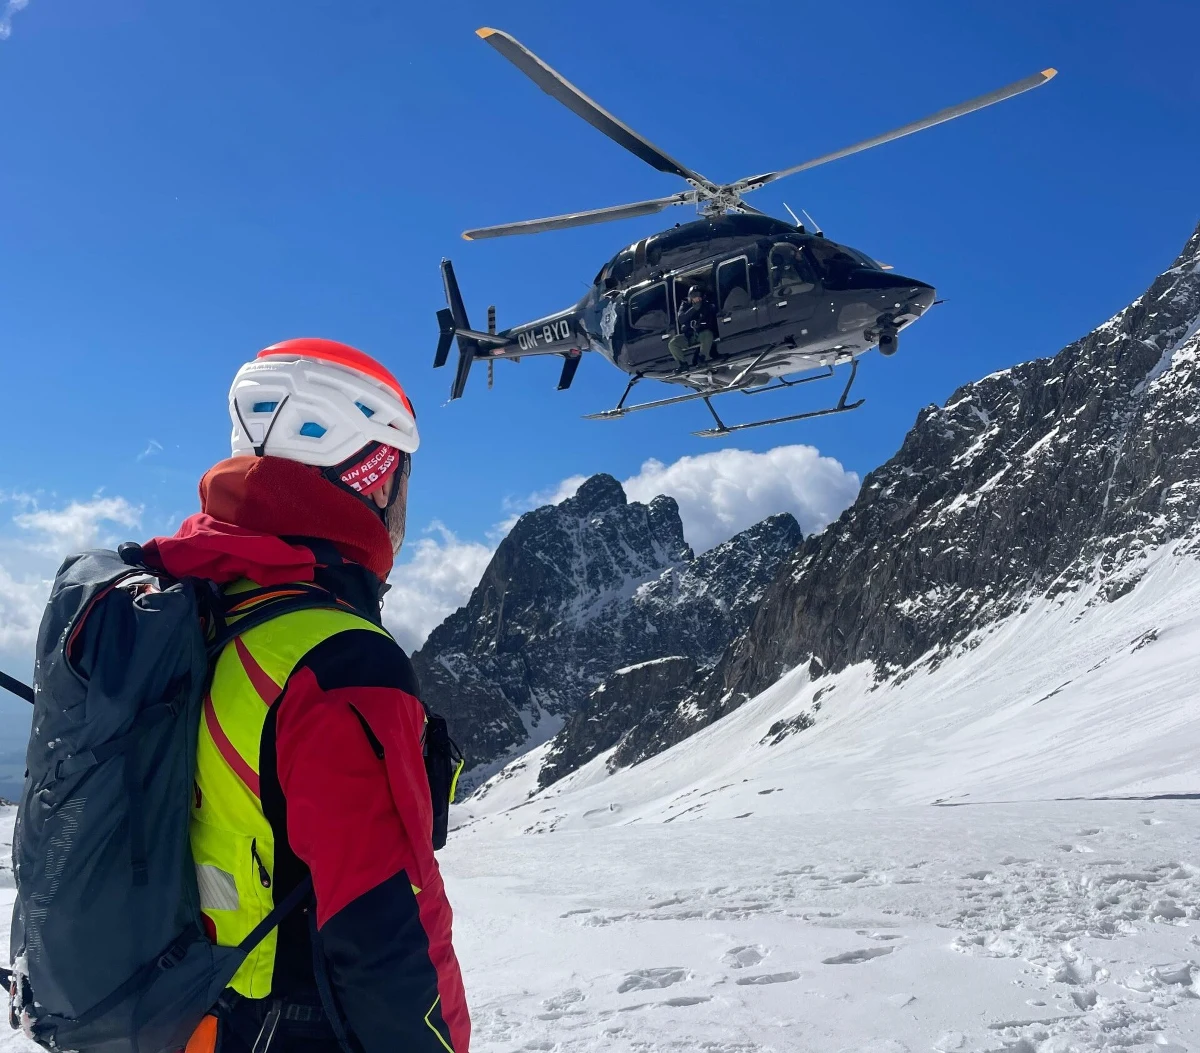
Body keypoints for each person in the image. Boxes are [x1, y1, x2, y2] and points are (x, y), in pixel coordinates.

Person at [140, 338, 471, 1053]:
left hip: (190, 1016)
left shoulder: (200, 608)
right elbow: (386, 932)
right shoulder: (340, 661)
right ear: (372, 476)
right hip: (293, 1028)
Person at [668, 285, 718, 367]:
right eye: (694, 296)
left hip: (702, 334)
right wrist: (693, 309)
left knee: (708, 334)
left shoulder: (706, 306)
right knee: (673, 343)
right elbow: (681, 319)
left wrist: (700, 325)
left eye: (698, 296)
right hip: (689, 336)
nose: (697, 298)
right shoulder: (685, 304)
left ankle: (701, 359)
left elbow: (711, 321)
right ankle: (683, 364)